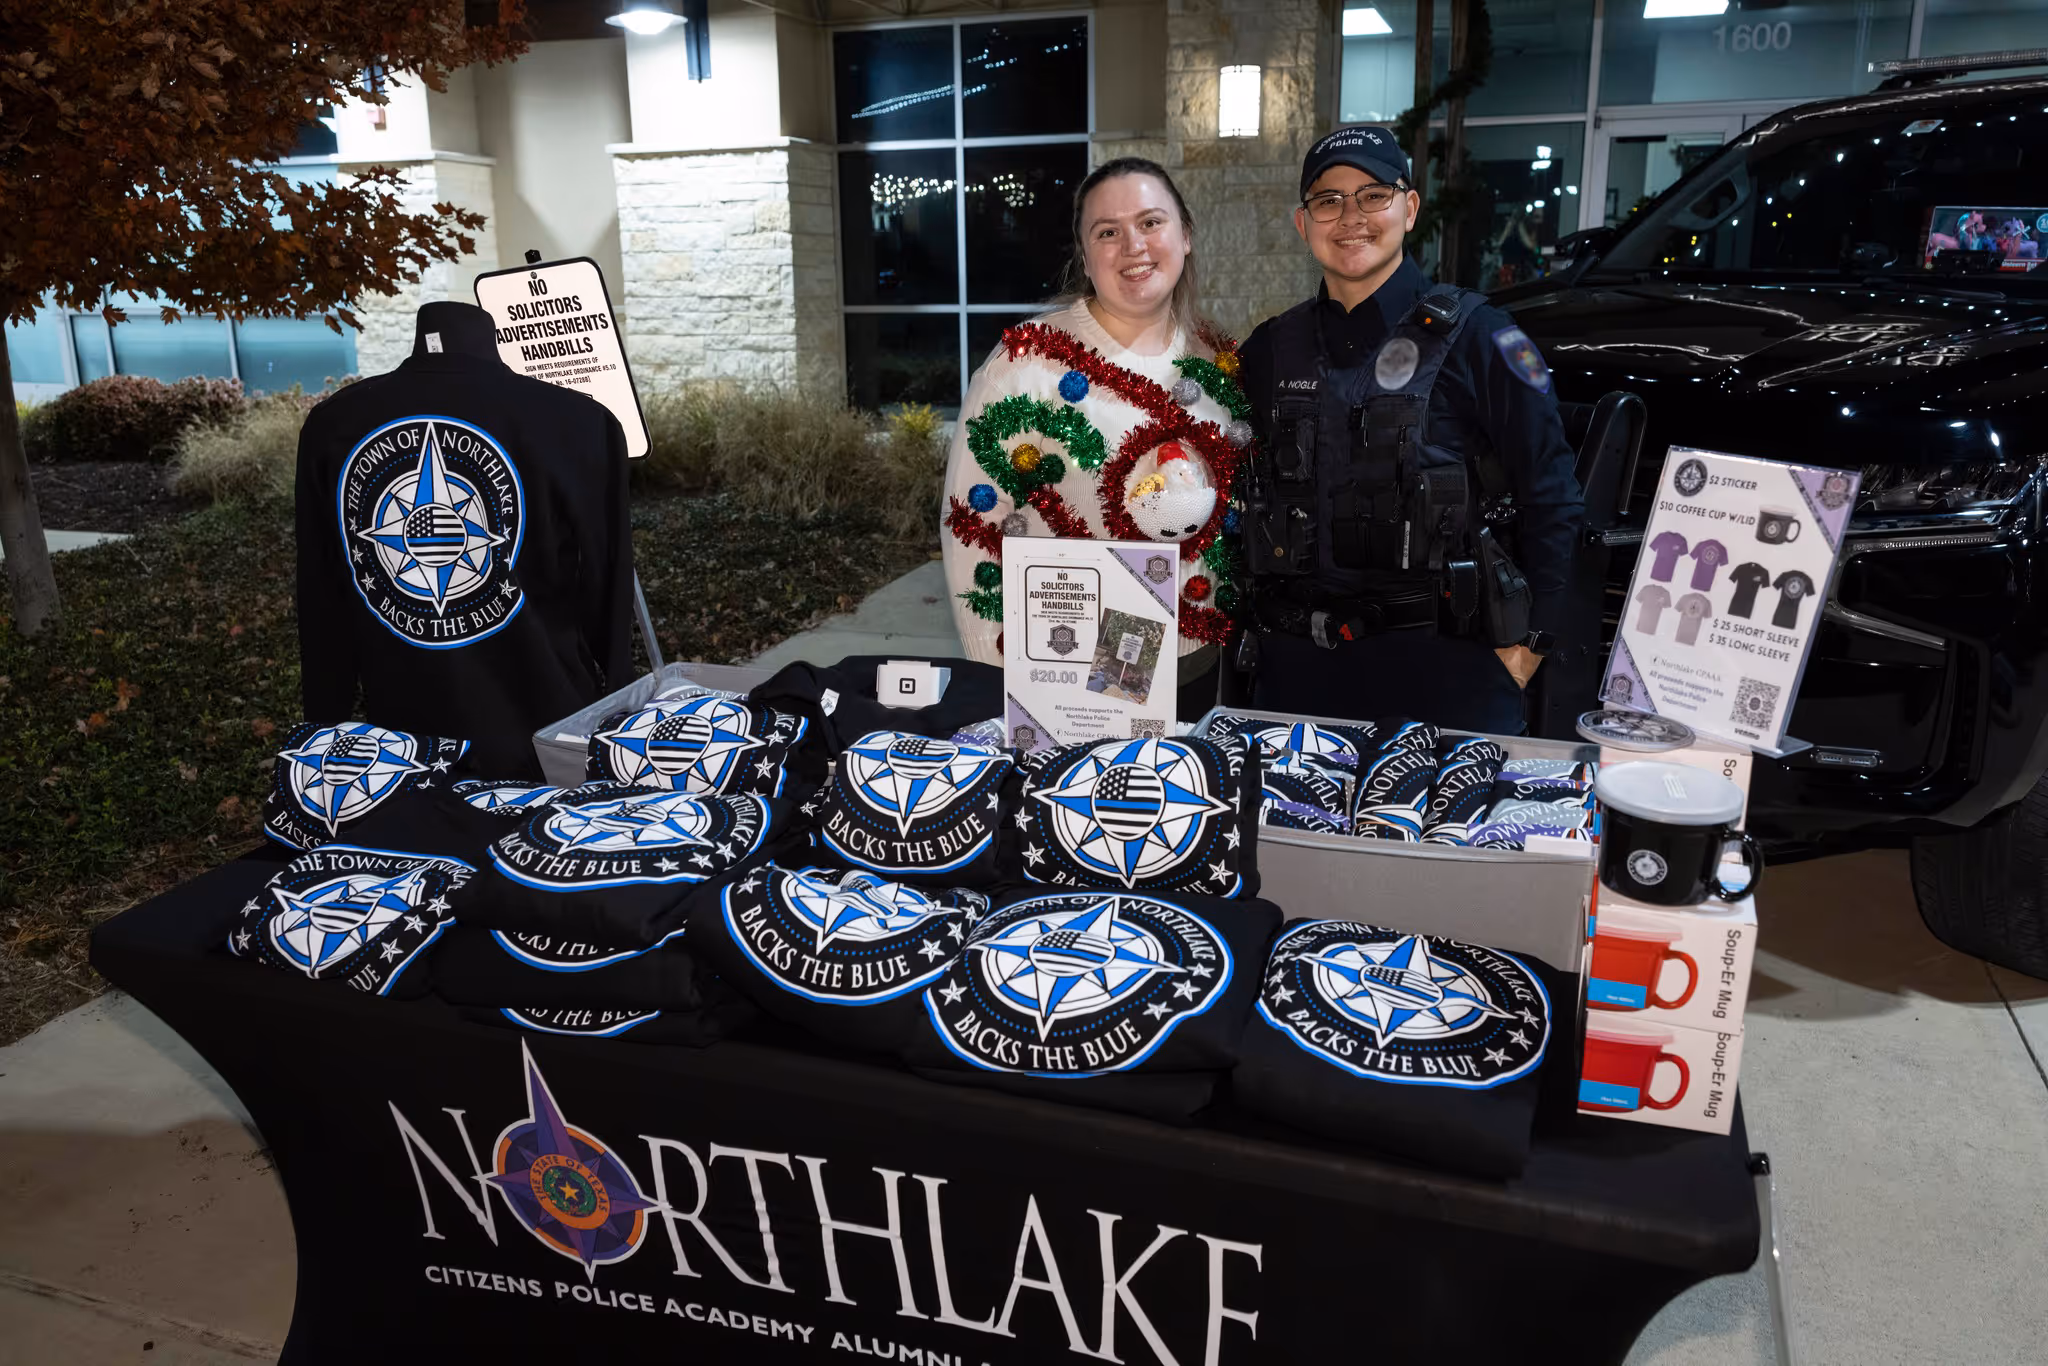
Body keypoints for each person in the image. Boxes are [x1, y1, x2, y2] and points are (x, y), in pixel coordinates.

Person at [1233, 126, 1584, 734]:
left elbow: (1552, 496)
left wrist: (1529, 647)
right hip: (1294, 679)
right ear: (1303, 222)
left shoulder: (1486, 337)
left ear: (1409, 207)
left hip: (1447, 675)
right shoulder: (1268, 349)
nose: (1351, 217)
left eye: (1373, 195)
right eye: (1328, 200)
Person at [940, 157, 1245, 718]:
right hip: (1068, 676)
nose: (1134, 244)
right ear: (1085, 255)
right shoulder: (1026, 364)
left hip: (1197, 662)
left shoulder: (1215, 359)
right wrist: (997, 669)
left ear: (1187, 235)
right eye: (1108, 231)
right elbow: (972, 519)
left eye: (1151, 222)